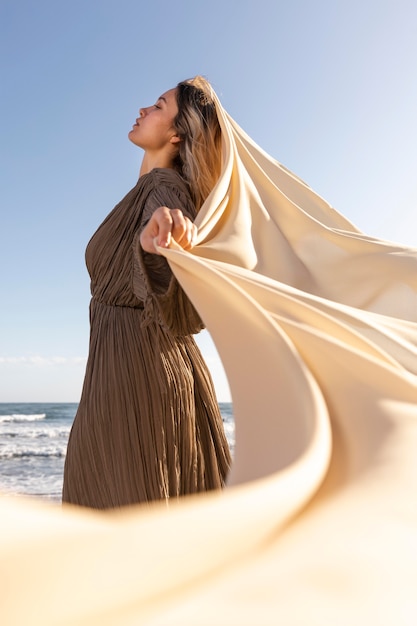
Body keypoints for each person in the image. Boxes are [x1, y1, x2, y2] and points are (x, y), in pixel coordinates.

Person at [62, 76, 231, 509]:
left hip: (142, 375)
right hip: (118, 372)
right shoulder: (146, 191)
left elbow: (179, 310)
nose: (143, 109)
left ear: (176, 134)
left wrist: (158, 248)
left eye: (158, 105)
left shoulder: (166, 194)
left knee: (127, 534)